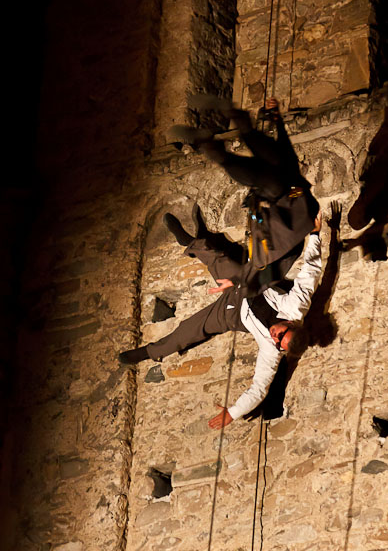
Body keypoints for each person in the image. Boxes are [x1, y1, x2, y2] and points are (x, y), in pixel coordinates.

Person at [119, 206, 326, 429]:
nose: (274, 338)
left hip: (233, 314)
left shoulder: (272, 350)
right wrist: (315, 234)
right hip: (247, 285)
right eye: (280, 335)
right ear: (291, 323)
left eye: (279, 344)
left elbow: (259, 389)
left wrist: (233, 413)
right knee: (221, 260)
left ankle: (148, 352)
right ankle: (190, 241)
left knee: (188, 330)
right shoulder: (297, 306)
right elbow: (311, 271)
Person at [168, 96, 320, 295]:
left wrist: (277, 119)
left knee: (250, 157)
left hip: (287, 186)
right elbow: (252, 277)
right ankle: (210, 141)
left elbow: (286, 152)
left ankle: (222, 129)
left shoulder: (270, 257)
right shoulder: (269, 259)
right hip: (288, 193)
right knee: (244, 164)